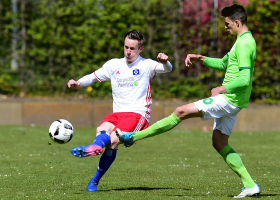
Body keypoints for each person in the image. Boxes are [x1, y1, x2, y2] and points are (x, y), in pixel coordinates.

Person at [116, 4, 260, 198]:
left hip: (229, 99)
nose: (225, 27)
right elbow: (225, 63)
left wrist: (221, 88)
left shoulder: (244, 43)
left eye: (227, 24)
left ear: (236, 22)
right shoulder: (242, 40)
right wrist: (201, 58)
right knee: (219, 141)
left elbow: (244, 79)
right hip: (235, 101)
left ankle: (131, 137)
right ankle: (250, 185)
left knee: (180, 112)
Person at [67, 30, 173, 191]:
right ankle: (94, 147)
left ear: (140, 49)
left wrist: (166, 62)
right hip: (117, 113)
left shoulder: (146, 65)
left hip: (138, 114)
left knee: (113, 140)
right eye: (126, 47)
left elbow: (167, 69)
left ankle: (94, 179)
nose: (128, 52)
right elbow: (94, 76)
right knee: (102, 129)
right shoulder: (113, 65)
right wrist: (78, 83)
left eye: (132, 48)